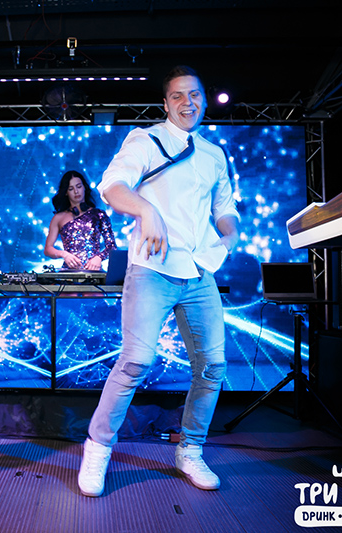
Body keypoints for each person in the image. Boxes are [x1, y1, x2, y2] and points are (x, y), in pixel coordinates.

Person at [77, 66, 239, 497]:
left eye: (195, 94)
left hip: (199, 271)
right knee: (135, 361)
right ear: (166, 103)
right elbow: (112, 186)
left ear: (204, 99)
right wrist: (146, 210)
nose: (188, 102)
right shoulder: (146, 140)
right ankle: (98, 447)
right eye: (178, 96)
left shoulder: (213, 154)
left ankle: (191, 449)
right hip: (152, 268)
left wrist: (229, 235)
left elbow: (225, 208)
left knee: (213, 366)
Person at [44, 170, 116, 270]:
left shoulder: (99, 215)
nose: (76, 191)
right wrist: (64, 254)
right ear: (66, 192)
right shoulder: (58, 218)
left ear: (84, 187)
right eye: (71, 189)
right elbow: (48, 249)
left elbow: (112, 246)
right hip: (69, 274)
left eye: (79, 186)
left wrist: (99, 257)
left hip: (94, 273)